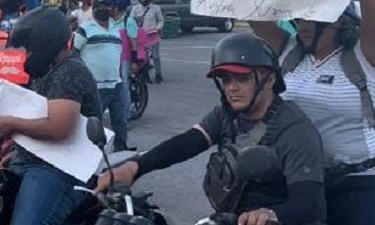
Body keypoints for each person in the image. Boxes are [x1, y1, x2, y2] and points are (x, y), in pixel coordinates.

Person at [246, 0, 375, 224]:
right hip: (298, 179)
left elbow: (373, 18)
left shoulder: (363, 58)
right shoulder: (290, 52)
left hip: (357, 179)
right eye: (299, 19)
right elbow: (253, 15)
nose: (301, 26)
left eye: (311, 20)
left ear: (338, 23)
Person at [96, 34, 326, 225]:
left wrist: (269, 214)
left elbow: (307, 205)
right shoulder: (227, 114)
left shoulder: (294, 131)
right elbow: (187, 142)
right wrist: (135, 167)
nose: (232, 88)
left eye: (242, 78)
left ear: (269, 80)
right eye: (226, 80)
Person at [0, 7, 102, 225]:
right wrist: (20, 152)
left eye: (28, 48)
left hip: (60, 169)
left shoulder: (69, 71)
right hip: (36, 162)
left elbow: (58, 128)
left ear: (44, 43)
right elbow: (39, 116)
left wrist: (12, 123)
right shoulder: (47, 70)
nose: (25, 54)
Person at [74, 0, 131, 151]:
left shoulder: (116, 29)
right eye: (98, 7)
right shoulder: (85, 29)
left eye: (106, 6)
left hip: (116, 83)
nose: (102, 9)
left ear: (111, 9)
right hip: (95, 86)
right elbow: (73, 52)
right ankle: (91, 153)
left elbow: (117, 54)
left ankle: (122, 150)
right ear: (93, 10)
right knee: (94, 122)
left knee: (120, 121)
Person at [107, 0, 138, 122]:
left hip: (124, 59)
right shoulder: (108, 21)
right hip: (110, 58)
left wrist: (134, 62)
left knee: (124, 85)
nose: (108, 8)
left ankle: (126, 116)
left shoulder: (128, 21)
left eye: (111, 6)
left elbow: (134, 43)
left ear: (117, 8)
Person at [131, 0, 165, 84]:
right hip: (141, 36)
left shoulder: (155, 8)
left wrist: (157, 28)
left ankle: (158, 74)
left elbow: (161, 20)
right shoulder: (135, 8)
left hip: (152, 35)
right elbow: (131, 21)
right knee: (144, 57)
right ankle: (145, 74)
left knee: (155, 56)